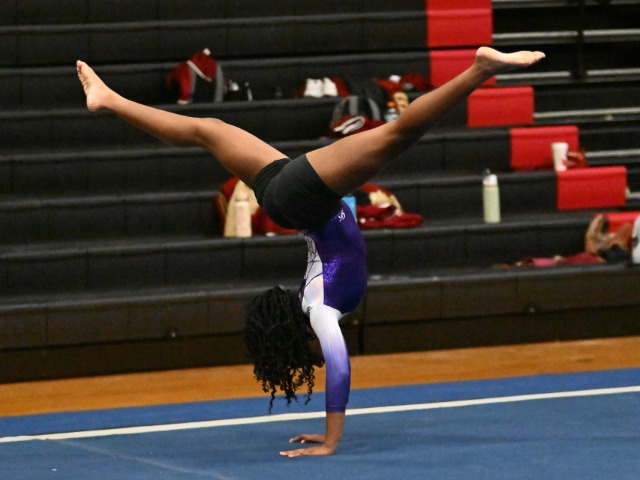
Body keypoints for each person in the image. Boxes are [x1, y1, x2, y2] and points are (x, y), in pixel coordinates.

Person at [76, 47, 544, 457]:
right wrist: (327, 433)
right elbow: (333, 360)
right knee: (209, 129)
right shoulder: (318, 304)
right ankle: (109, 99)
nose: (320, 358)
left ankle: (480, 69)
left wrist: (331, 439)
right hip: (291, 200)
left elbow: (339, 367)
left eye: (310, 356)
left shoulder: (319, 308)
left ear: (301, 335)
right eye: (314, 360)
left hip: (302, 200)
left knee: (396, 135)